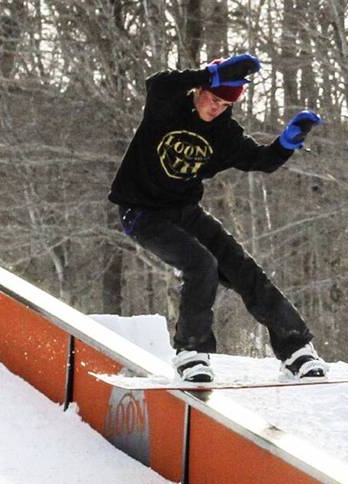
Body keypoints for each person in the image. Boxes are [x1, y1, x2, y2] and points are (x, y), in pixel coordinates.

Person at [108, 53, 326, 382]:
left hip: (184, 210)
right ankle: (191, 352)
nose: (215, 109)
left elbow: (261, 160)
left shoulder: (224, 134)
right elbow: (157, 83)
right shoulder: (167, 106)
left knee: (241, 266)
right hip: (140, 212)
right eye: (212, 99)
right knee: (201, 264)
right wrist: (208, 74)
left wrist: (285, 144)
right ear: (199, 90)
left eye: (224, 106)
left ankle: (295, 348)